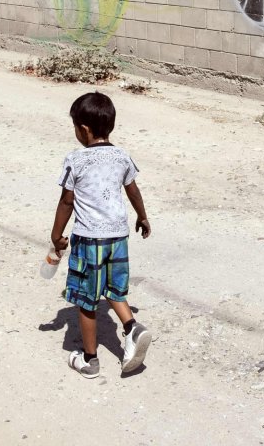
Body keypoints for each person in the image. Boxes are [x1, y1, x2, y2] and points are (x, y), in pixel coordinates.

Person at [50, 91, 152, 377]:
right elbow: (133, 190)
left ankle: (89, 359)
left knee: (86, 300)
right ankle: (132, 328)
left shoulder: (76, 159)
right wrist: (142, 216)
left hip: (89, 239)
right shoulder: (122, 156)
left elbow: (66, 202)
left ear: (84, 129)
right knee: (113, 289)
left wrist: (56, 236)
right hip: (118, 237)